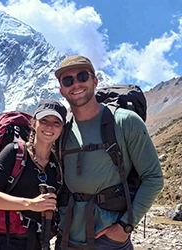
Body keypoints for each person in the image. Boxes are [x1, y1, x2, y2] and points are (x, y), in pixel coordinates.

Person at [54, 55, 164, 249]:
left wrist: (124, 227)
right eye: (68, 80)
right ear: (62, 90)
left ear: (95, 81)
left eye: (82, 76)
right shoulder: (61, 130)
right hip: (67, 237)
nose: (76, 84)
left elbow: (153, 177)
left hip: (109, 240)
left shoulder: (125, 122)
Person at [0, 99, 68, 250]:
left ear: (62, 129)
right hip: (6, 241)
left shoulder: (57, 165)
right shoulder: (14, 152)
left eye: (56, 122)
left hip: (39, 242)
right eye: (44, 120)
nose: (49, 126)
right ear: (34, 123)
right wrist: (31, 204)